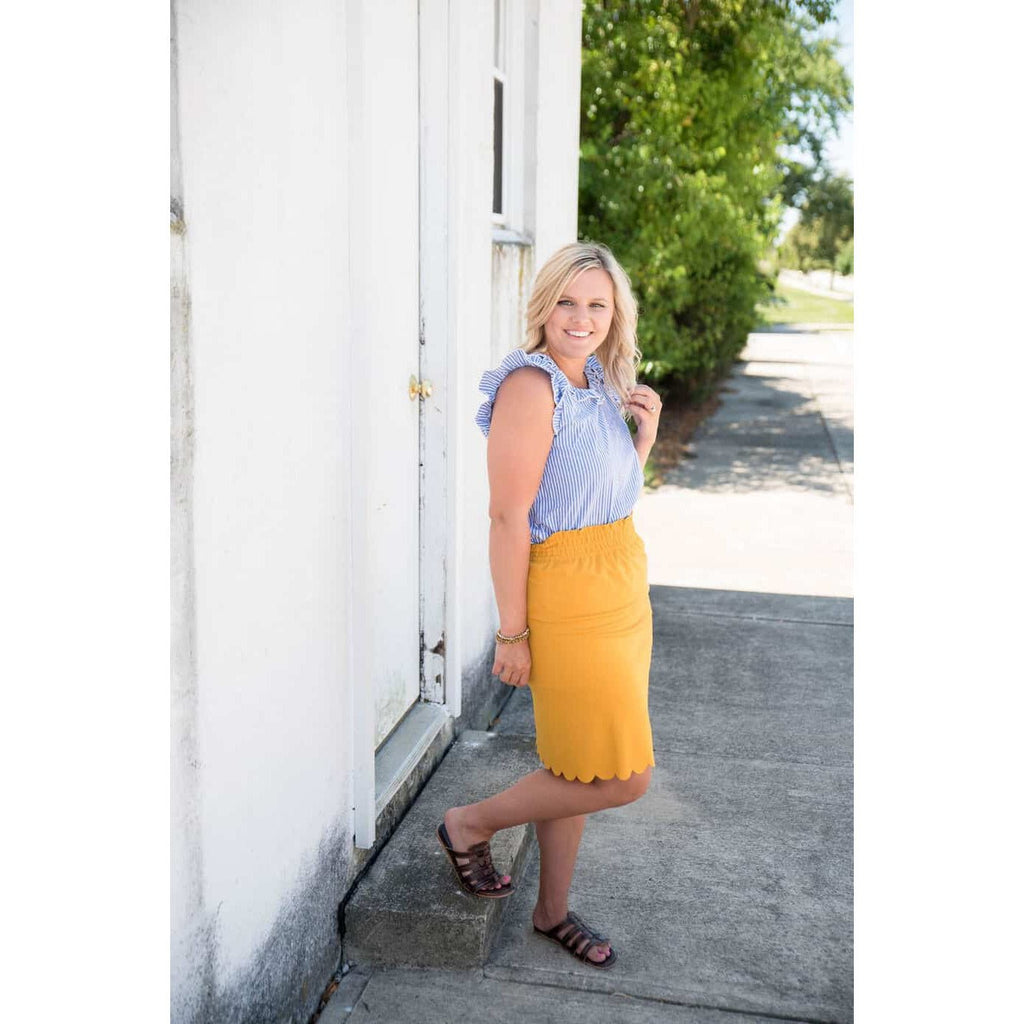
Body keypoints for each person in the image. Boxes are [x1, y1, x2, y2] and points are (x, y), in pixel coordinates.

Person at [436, 240, 662, 970]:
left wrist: (644, 439)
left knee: (580, 760)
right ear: (543, 306)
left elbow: (599, 492)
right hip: (567, 593)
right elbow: (509, 518)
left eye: (597, 304)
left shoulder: (599, 378)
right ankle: (468, 824)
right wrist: (512, 631)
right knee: (622, 775)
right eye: (567, 300)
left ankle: (550, 911)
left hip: (621, 581)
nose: (581, 317)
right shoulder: (531, 387)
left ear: (614, 314)